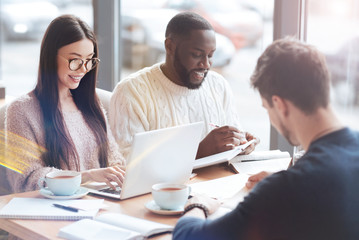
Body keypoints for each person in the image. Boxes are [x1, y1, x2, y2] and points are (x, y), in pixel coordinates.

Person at [172, 38, 359, 240]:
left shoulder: (285, 190)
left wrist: (198, 205)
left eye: (267, 108)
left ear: (279, 105)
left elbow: (188, 236)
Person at [110, 12, 258, 160]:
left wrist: (241, 144)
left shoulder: (218, 85)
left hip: (219, 180)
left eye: (210, 55)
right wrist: (198, 151)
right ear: (170, 47)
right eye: (196, 54)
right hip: (168, 184)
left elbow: (229, 143)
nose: (206, 64)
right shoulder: (131, 92)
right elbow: (127, 164)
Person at [5, 15, 125, 193]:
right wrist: (87, 176)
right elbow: (26, 180)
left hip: (101, 202)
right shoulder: (21, 111)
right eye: (75, 60)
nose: (84, 69)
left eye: (89, 60)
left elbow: (115, 160)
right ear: (51, 57)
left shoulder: (90, 103)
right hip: (57, 210)